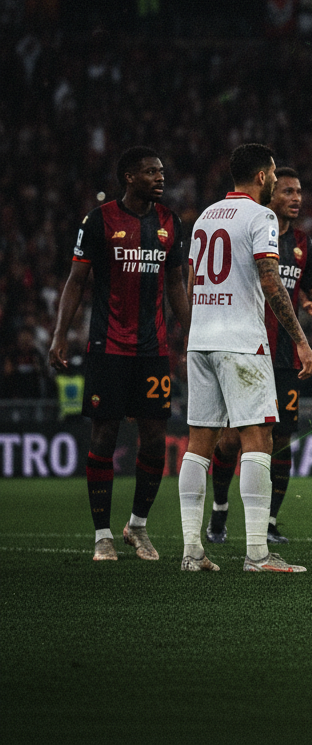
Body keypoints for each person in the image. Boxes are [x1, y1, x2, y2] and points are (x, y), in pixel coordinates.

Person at [179, 143, 312, 573]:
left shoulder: (205, 215)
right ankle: (258, 554)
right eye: (274, 174)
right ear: (262, 177)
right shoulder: (262, 217)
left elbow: (189, 279)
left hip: (200, 338)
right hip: (241, 341)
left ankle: (192, 551)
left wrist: (202, 322)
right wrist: (301, 341)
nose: (276, 181)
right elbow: (271, 282)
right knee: (259, 441)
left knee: (198, 447)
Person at [49, 146, 190, 562]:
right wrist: (60, 335)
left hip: (153, 350)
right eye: (150, 172)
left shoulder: (170, 223)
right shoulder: (99, 220)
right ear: (129, 176)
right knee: (104, 435)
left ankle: (138, 527)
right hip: (107, 347)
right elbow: (76, 280)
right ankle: (102, 536)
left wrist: (193, 334)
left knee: (153, 441)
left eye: (161, 172)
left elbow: (176, 286)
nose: (160, 178)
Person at [204, 167, 312, 546]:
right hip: (246, 348)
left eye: (299, 191)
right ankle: (220, 509)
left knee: (281, 438)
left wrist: (311, 303)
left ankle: (269, 521)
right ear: (271, 194)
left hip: (284, 357)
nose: (295, 197)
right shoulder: (253, 229)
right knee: (228, 440)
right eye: (287, 190)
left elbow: (311, 290)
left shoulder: (303, 244)